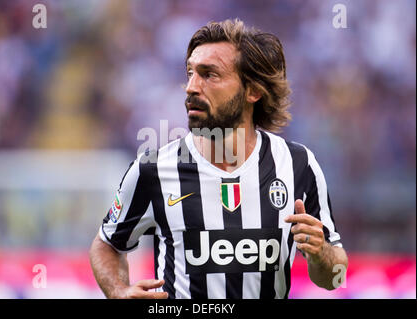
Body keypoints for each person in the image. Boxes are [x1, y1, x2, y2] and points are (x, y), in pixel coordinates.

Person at [89, 19, 348, 299]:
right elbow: (107, 244)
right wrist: (117, 291)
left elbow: (334, 277)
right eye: (190, 73)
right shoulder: (153, 170)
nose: (191, 87)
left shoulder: (298, 165)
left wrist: (321, 252)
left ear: (253, 91)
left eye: (209, 74)